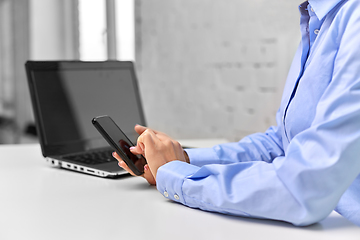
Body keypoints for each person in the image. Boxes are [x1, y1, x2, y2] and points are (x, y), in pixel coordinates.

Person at [113, 0, 360, 226]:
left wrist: (176, 176)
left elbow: (306, 185)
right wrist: (182, 160)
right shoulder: (319, 20)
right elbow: (284, 143)